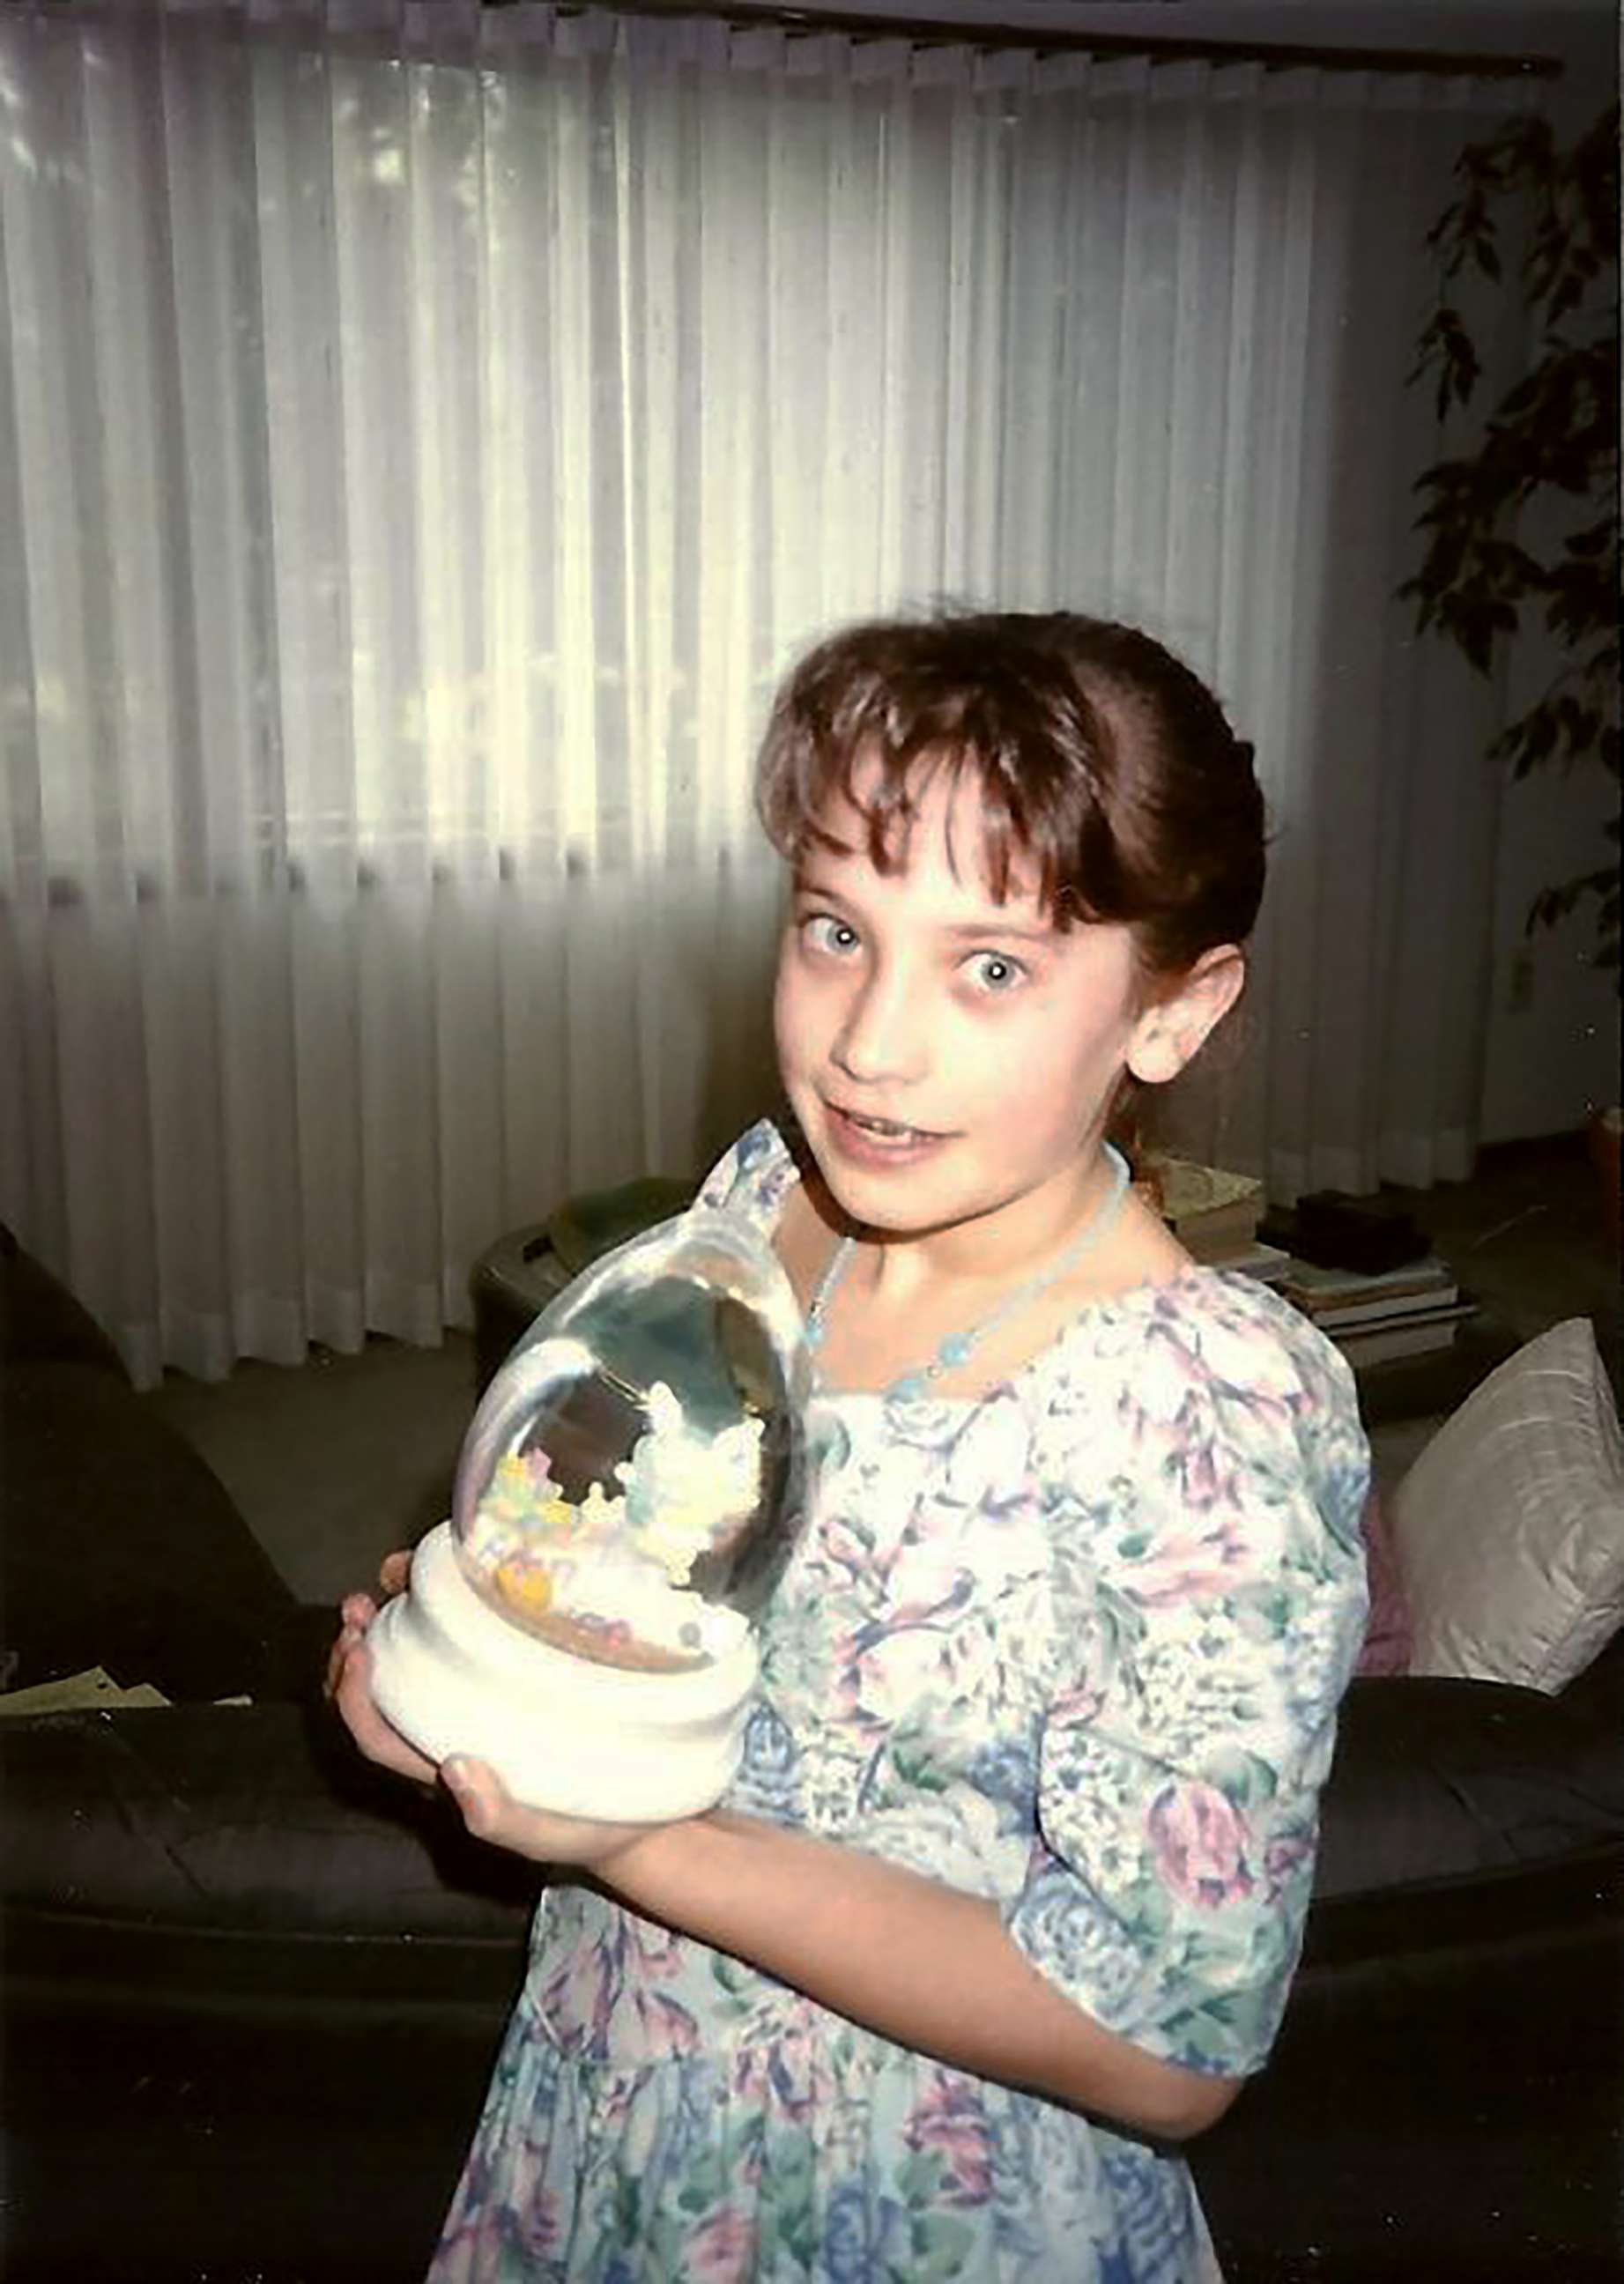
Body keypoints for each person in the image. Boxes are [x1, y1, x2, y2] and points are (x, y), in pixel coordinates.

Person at [331, 610, 1371, 2282]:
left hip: (901, 2196)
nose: (872, 1044)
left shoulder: (1207, 1411)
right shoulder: (761, 1209)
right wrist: (499, 1644)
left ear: (1173, 1014)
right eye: (836, 929)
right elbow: (658, 1553)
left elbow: (1168, 2051)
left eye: (994, 965)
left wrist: (631, 1843)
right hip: (615, 2095)